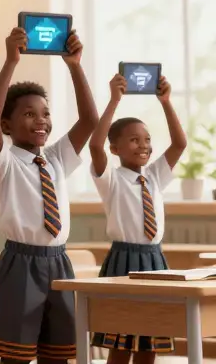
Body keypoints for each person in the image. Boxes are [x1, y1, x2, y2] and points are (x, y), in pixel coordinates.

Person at [0, 26, 99, 364]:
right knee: (15, 356)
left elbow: (90, 119)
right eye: (29, 114)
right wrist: (10, 61)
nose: (41, 121)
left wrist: (75, 65)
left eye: (45, 113)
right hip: (21, 263)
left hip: (60, 261)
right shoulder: (3, 162)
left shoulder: (57, 158)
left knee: (59, 355)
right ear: (8, 126)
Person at [88, 71, 187, 363]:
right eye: (133, 140)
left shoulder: (154, 176)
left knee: (150, 341)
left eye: (147, 139)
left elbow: (179, 144)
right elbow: (95, 145)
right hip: (124, 262)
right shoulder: (110, 178)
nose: (143, 145)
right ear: (115, 148)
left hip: (155, 262)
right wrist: (114, 101)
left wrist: (166, 102)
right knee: (120, 341)